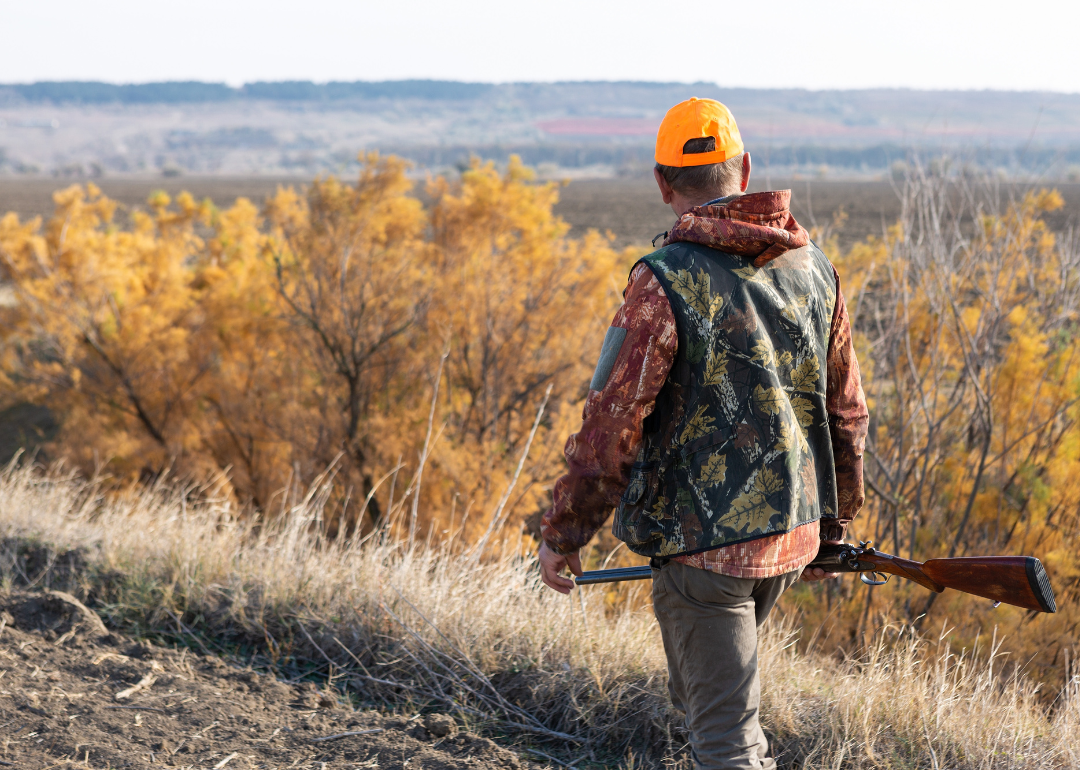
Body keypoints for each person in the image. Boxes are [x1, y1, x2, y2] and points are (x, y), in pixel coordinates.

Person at [537, 97, 869, 770]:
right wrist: (832, 521)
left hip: (705, 552)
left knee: (726, 744)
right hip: (790, 537)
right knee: (714, 715)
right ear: (744, 167)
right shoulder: (817, 270)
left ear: (663, 184)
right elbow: (848, 415)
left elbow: (610, 430)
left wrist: (563, 534)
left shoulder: (661, 282)